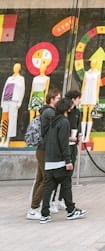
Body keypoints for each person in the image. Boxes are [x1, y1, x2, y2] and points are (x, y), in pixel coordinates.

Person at [40, 97, 88, 223]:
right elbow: (64, 144)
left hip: (49, 160)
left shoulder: (52, 121)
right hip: (60, 161)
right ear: (66, 109)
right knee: (66, 185)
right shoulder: (64, 122)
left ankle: (44, 214)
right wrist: (68, 161)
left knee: (48, 188)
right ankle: (71, 210)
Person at [26, 88, 60, 220]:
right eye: (58, 98)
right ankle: (33, 208)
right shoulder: (50, 112)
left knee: (40, 178)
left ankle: (34, 207)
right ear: (52, 99)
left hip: (41, 149)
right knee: (46, 179)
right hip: (45, 149)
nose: (59, 100)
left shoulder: (44, 111)